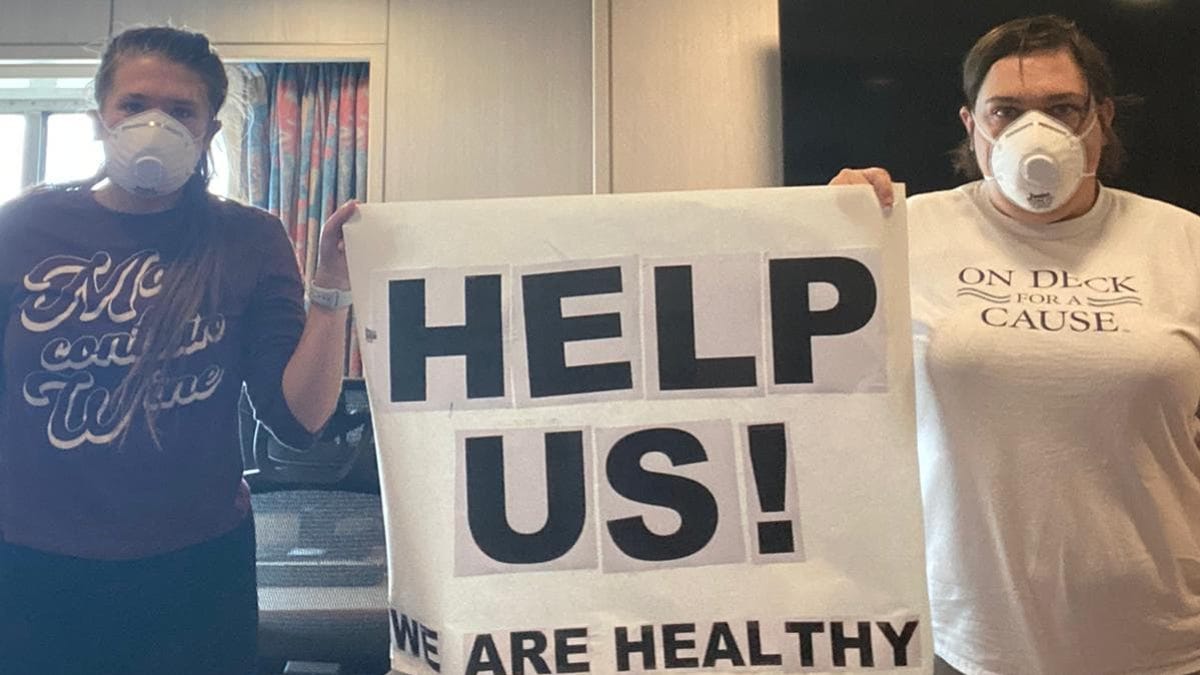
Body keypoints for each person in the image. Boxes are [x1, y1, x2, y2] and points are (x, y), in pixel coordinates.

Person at [832, 14, 1200, 675]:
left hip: (1162, 637)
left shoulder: (1184, 245)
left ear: (1101, 119)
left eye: (1063, 108)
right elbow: (811, 391)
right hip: (968, 640)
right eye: (1007, 110)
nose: (1038, 132)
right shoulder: (903, 234)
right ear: (973, 126)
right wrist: (822, 236)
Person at [0, 26, 355, 674]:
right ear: (99, 120)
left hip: (194, 572)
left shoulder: (247, 238)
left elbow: (298, 420)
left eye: (179, 110)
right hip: (31, 566)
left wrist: (331, 288)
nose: (153, 123)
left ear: (209, 131)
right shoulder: (21, 229)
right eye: (134, 105)